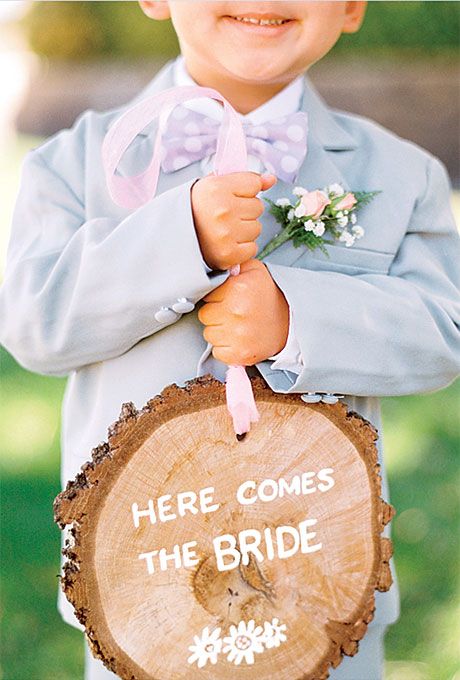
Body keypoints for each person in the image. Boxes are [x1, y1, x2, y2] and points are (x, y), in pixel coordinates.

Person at [1, 2, 459, 678]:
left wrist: (295, 317)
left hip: (326, 594)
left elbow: (444, 328)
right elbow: (34, 324)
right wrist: (179, 239)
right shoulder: (71, 164)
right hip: (140, 597)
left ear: (353, 7)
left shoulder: (402, 174)